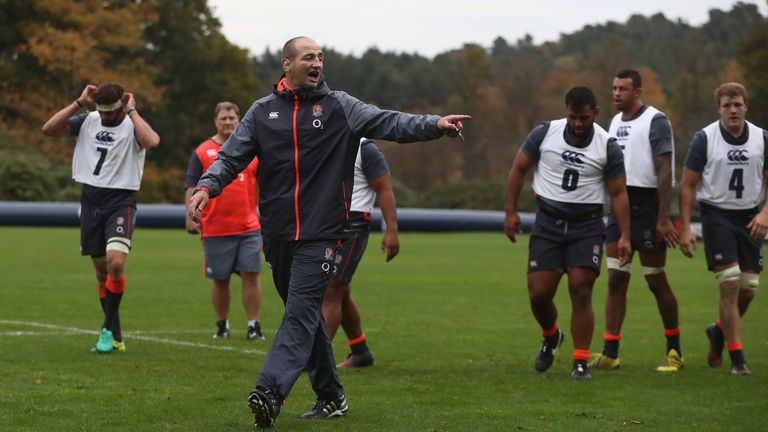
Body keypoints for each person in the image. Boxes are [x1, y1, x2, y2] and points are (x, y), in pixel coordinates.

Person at [187, 36, 469, 428]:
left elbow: (390, 121)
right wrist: (205, 187)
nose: (317, 62)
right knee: (304, 316)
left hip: (325, 232)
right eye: (308, 57)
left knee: (302, 311)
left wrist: (435, 124)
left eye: (320, 56)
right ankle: (332, 397)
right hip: (279, 234)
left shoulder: (340, 106)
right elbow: (231, 158)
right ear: (287, 64)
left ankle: (270, 392)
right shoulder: (262, 112)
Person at [504, 86, 631, 381]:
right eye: (573, 117)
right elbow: (518, 168)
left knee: (581, 288)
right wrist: (510, 211)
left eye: (584, 118)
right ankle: (551, 336)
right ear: (565, 111)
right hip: (548, 222)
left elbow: (619, 192)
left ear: (595, 113)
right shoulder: (545, 133)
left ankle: (580, 362)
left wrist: (624, 234)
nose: (577, 124)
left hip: (586, 226)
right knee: (539, 294)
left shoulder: (606, 144)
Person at [41, 83, 160, 353]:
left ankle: (106, 329)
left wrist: (133, 112)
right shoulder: (89, 119)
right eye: (101, 112)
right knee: (101, 272)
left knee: (115, 263)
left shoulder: (132, 123)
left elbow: (152, 142)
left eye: (110, 112)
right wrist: (79, 103)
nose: (105, 118)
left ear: (121, 106)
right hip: (91, 199)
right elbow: (48, 129)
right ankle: (115, 335)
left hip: (121, 200)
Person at [590, 69, 684, 372]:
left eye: (623, 89)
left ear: (638, 92)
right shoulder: (615, 122)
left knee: (655, 279)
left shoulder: (655, 120)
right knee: (616, 278)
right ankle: (610, 352)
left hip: (648, 205)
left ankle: (674, 351)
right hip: (620, 206)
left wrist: (663, 218)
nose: (616, 93)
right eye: (614, 88)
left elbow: (665, 170)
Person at [679, 82, 768, 376]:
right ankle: (737, 359)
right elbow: (688, 185)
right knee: (729, 282)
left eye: (738, 104)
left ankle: (718, 332)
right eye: (727, 105)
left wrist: (765, 213)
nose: (733, 110)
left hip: (751, 217)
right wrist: (685, 228)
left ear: (746, 106)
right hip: (717, 215)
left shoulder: (761, 138)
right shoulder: (704, 138)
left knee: (748, 289)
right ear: (718, 108)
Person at [185, 102, 265, 342]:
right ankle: (222, 325)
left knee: (251, 274)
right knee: (220, 279)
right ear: (215, 122)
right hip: (216, 227)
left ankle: (253, 325)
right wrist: (189, 215)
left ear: (239, 120)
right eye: (224, 118)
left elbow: (262, 185)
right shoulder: (203, 151)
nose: (228, 122)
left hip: (249, 226)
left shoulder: (251, 151)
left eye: (232, 118)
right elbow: (191, 184)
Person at [323, 138, 398, 369]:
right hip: (326, 222)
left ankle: (315, 357)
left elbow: (384, 188)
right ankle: (360, 350)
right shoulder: (323, 141)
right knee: (341, 290)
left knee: (331, 289)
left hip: (353, 224)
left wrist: (391, 230)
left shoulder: (364, 148)